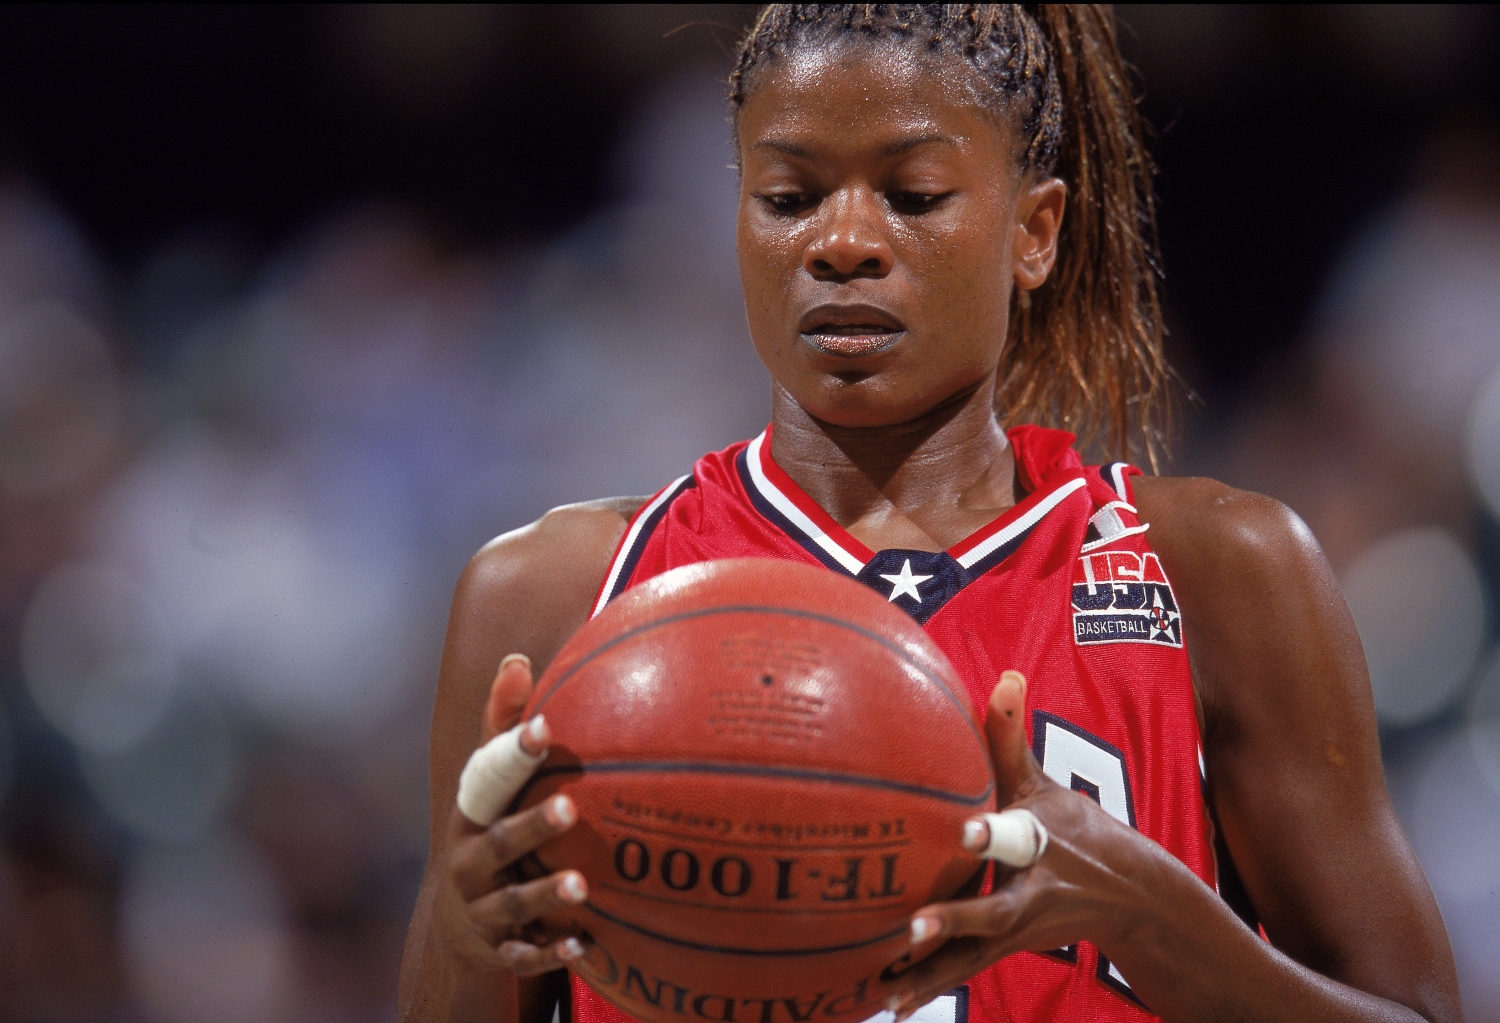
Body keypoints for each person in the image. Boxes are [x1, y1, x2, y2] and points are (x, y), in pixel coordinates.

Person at [397, 6, 1461, 1023]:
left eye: (913, 195)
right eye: (787, 198)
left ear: (1034, 231)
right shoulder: (552, 595)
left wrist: (1153, 913)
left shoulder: (1217, 568)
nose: (843, 242)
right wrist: (464, 931)